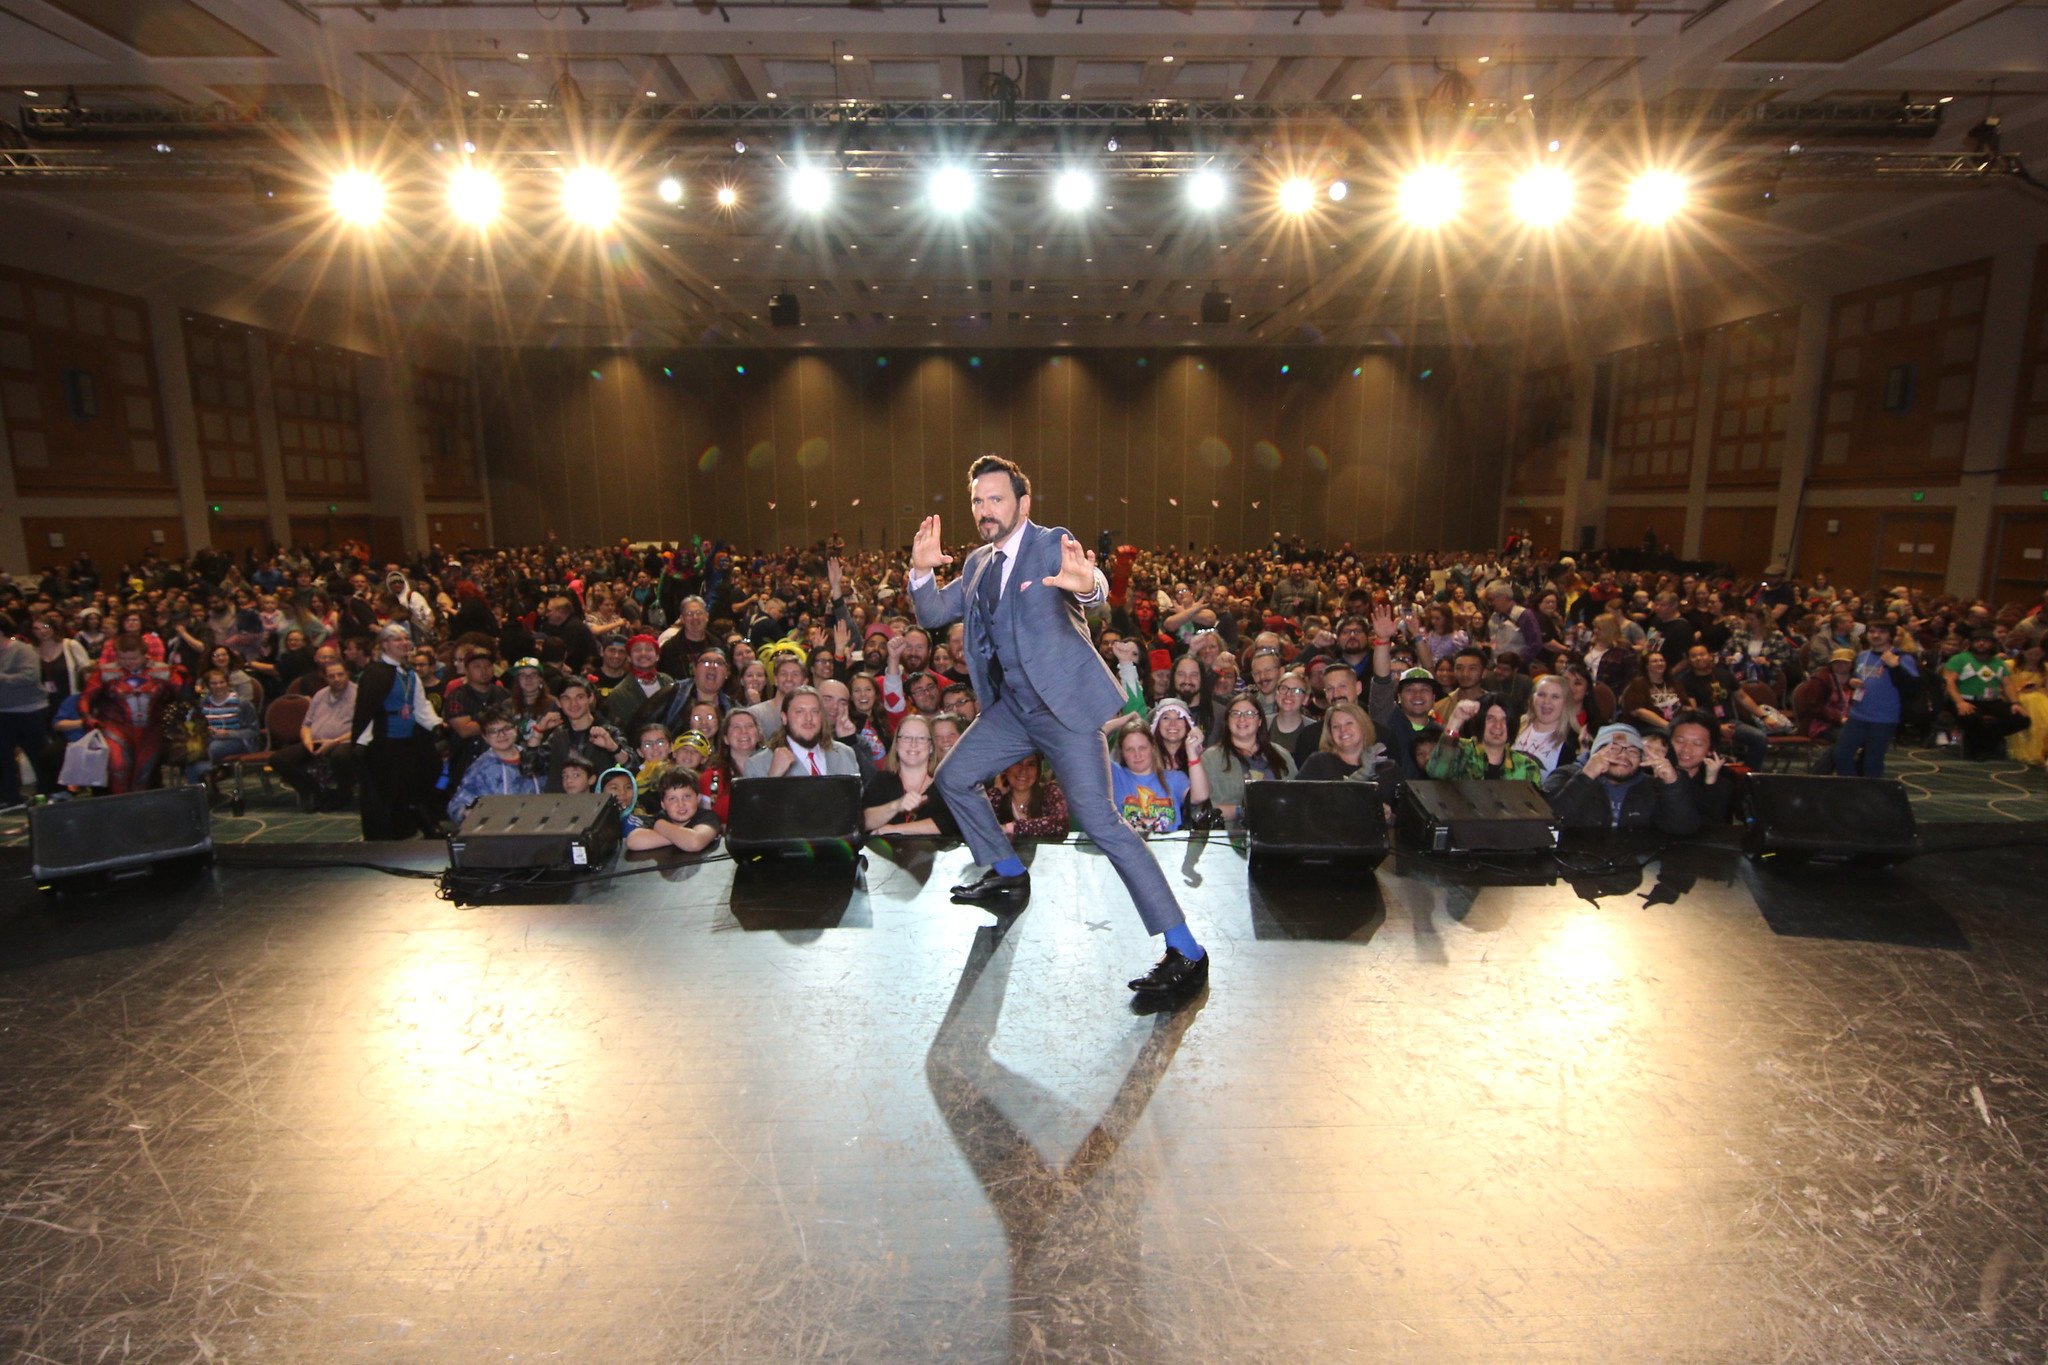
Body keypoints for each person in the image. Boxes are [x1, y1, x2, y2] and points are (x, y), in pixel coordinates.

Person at [910, 456, 1208, 999]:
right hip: (1013, 711)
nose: (985, 510)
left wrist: (1091, 586)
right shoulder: (978, 562)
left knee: (1103, 824)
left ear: (1022, 504)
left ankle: (1186, 948)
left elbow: (1088, 584)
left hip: (1065, 714)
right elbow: (931, 613)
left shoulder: (1050, 543)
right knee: (953, 780)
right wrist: (920, 570)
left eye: (996, 499)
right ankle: (1006, 871)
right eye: (978, 501)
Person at [352, 622, 446, 839]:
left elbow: (420, 705)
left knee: (412, 785)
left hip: (409, 740)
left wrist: (435, 724)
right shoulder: (374, 674)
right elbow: (367, 711)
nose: (404, 643)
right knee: (386, 791)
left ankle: (410, 827)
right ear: (384, 644)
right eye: (397, 639)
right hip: (383, 741)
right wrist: (362, 741)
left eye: (406, 638)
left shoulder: (410, 674)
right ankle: (385, 834)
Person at [1543, 723, 1701, 835]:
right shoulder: (1565, 775)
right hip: (1572, 872)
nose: (1623, 755)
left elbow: (1684, 828)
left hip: (1634, 873)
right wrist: (1586, 776)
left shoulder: (1651, 786)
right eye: (1613, 749)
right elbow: (1547, 822)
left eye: (1633, 752)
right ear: (1595, 753)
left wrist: (1672, 783)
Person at [80, 633, 186, 794]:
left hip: (151, 729)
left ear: (145, 654)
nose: (129, 663)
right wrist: (87, 717)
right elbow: (86, 698)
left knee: (144, 773)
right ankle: (122, 809)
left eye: (134, 658)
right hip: (117, 727)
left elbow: (183, 695)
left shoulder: (163, 671)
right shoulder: (105, 673)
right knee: (118, 767)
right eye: (123, 658)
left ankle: (141, 811)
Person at [273, 660, 360, 810]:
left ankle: (344, 794)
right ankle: (315, 791)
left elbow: (362, 728)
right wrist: (307, 740)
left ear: (347, 675)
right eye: (332, 676)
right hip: (315, 741)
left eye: (340, 674)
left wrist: (335, 741)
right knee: (278, 759)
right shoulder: (320, 695)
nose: (337, 679)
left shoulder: (359, 694)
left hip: (345, 741)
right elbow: (306, 725)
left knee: (341, 755)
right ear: (325, 678)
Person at [1837, 621, 1916, 778]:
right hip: (1858, 715)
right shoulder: (1862, 656)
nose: (1876, 635)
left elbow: (1912, 687)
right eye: (1872, 631)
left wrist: (1896, 667)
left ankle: (1870, 796)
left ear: (1891, 636)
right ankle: (1852, 788)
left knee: (1872, 762)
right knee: (1841, 755)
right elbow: (1857, 677)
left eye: (1882, 632)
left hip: (1884, 718)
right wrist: (1852, 682)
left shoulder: (1902, 658)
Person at [1201, 694, 1296, 822]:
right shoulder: (1211, 758)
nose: (1242, 719)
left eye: (1250, 713)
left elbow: (1297, 798)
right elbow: (1204, 808)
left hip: (1280, 832)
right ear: (1227, 721)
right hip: (1230, 836)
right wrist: (1243, 811)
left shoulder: (1282, 754)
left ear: (1260, 721)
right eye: (1235, 713)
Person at [446, 706, 543, 824]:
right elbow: (457, 805)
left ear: (516, 729)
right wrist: (467, 813)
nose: (501, 735)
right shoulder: (481, 768)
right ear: (485, 737)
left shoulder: (533, 757)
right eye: (493, 731)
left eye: (506, 728)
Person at [863, 712, 955, 836]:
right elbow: (863, 821)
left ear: (931, 747)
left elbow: (951, 823)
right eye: (906, 737)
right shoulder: (881, 780)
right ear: (896, 745)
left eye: (921, 738)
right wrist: (896, 806)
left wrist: (894, 830)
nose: (913, 744)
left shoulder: (946, 783)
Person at [1943, 628, 2029, 760]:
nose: (1981, 644)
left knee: (2021, 719)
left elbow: (2007, 684)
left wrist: (2015, 703)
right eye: (1978, 641)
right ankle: (1979, 749)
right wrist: (1960, 702)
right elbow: (1949, 682)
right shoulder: (1959, 659)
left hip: (1991, 701)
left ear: (1992, 644)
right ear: (1971, 643)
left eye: (1986, 641)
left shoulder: (1998, 662)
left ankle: (1989, 741)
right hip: (1964, 699)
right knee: (1972, 718)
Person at [746, 686, 860, 777]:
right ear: (784, 718)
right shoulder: (758, 764)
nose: (809, 718)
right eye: (800, 711)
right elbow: (756, 806)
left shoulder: (845, 753)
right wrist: (773, 777)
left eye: (815, 711)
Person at [1109, 720, 1200, 834]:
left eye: (1142, 748)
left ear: (1152, 747)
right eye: (1129, 749)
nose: (1137, 755)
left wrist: (1192, 752)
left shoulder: (1174, 778)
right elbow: (1086, 741)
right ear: (1122, 752)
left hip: (1169, 849)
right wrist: (1120, 722)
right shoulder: (1114, 774)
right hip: (1128, 850)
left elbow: (1199, 797)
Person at [0, 614, 51, 807]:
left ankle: (47, 791)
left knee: (38, 754)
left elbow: (30, 676)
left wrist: (2, 678)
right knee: (3, 757)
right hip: (3, 712)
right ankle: (9, 796)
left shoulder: (22, 650)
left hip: (29, 711)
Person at [1430, 694, 1542, 782]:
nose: (1498, 726)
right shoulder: (1460, 751)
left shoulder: (1527, 767)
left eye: (1504, 719)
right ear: (1480, 721)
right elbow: (1437, 771)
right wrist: (1455, 721)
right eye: (1490, 718)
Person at [186, 667, 261, 786]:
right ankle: (198, 789)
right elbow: (196, 725)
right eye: (214, 683)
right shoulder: (203, 704)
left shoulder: (242, 703)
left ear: (228, 683)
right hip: (210, 739)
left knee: (210, 749)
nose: (218, 686)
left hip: (239, 741)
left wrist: (227, 733)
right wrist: (205, 731)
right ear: (208, 686)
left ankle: (206, 780)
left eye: (222, 682)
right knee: (190, 751)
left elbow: (254, 731)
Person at [624, 767, 723, 854]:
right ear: (663, 804)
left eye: (687, 797)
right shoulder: (658, 818)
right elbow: (632, 841)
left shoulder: (708, 817)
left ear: (698, 798)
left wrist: (660, 826)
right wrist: (683, 838)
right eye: (672, 799)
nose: (681, 804)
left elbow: (694, 842)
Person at [1661, 711, 1732, 825]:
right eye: (1679, 741)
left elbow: (1714, 827)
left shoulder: (1720, 785)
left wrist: (1710, 786)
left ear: (1710, 750)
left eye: (1697, 743)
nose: (1686, 749)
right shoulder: (1652, 777)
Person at [1295, 701, 1386, 783]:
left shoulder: (1385, 767)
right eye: (1336, 726)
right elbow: (1294, 798)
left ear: (1363, 726)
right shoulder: (1318, 763)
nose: (1343, 730)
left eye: (1349, 723)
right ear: (1330, 733)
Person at [1510, 675, 1581, 778]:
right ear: (1533, 698)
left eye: (1555, 697)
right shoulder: (1514, 725)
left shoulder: (1573, 742)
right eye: (1541, 695)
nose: (1546, 702)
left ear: (1566, 703)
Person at [989, 756, 1068, 839]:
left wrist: (1010, 828)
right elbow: (980, 826)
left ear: (1038, 770)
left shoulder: (1050, 792)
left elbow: (1061, 825)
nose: (1023, 771)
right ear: (1005, 768)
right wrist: (997, 792)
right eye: (1017, 763)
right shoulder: (996, 797)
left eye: (1031, 764)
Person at [2008, 640, 2048, 769]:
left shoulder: (2046, 668)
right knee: (2030, 701)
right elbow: (2004, 686)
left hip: (2040, 697)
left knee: (2037, 700)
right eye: (2031, 654)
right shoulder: (2009, 665)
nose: (2035, 657)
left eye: (2038, 654)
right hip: (2015, 697)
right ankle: (2027, 750)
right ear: (2024, 652)